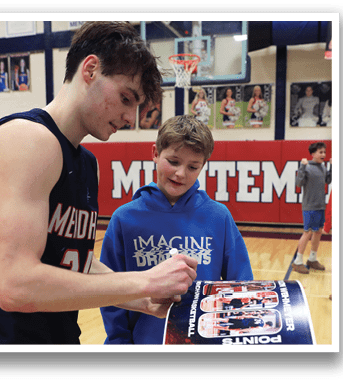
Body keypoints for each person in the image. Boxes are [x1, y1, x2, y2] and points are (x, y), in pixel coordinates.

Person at [0, 21, 198, 345]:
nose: (130, 117)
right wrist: (145, 282)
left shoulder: (86, 163)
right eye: (126, 98)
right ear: (90, 69)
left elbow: (74, 263)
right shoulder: (28, 139)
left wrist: (145, 301)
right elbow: (16, 286)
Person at [99, 115, 253, 344]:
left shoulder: (218, 217)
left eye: (193, 167)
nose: (181, 173)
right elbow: (109, 290)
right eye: (173, 161)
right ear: (155, 153)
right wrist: (119, 340)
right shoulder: (125, 218)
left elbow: (241, 285)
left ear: (203, 166)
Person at [293, 142, 332, 274]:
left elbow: (328, 180)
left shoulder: (323, 167)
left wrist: (332, 167)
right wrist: (302, 167)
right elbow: (298, 183)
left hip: (321, 205)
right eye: (320, 152)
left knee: (318, 231)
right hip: (309, 206)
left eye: (324, 152)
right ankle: (298, 261)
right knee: (308, 232)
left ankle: (312, 259)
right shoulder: (307, 166)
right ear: (313, 154)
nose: (323, 155)